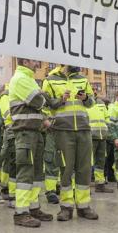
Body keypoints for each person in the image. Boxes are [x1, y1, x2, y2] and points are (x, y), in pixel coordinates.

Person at [42, 65, 98, 221]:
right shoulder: (50, 80)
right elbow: (45, 104)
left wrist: (85, 98)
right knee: (66, 168)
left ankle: (83, 206)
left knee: (84, 168)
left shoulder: (82, 79)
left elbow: (92, 102)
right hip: (63, 130)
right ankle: (66, 207)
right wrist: (61, 100)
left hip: (83, 128)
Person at [9, 58, 54, 227]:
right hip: (25, 133)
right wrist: (43, 96)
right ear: (26, 61)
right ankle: (21, 213)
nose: (38, 64)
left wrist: (42, 96)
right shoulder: (20, 78)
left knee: (36, 174)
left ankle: (34, 208)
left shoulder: (29, 79)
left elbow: (40, 103)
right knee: (25, 172)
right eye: (35, 61)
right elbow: (39, 102)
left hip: (35, 132)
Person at [88, 92, 115, 192]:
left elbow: (107, 119)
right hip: (90, 137)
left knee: (101, 162)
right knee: (87, 162)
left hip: (102, 137)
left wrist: (109, 132)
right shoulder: (84, 104)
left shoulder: (101, 104)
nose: (94, 91)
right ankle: (84, 187)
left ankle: (100, 185)